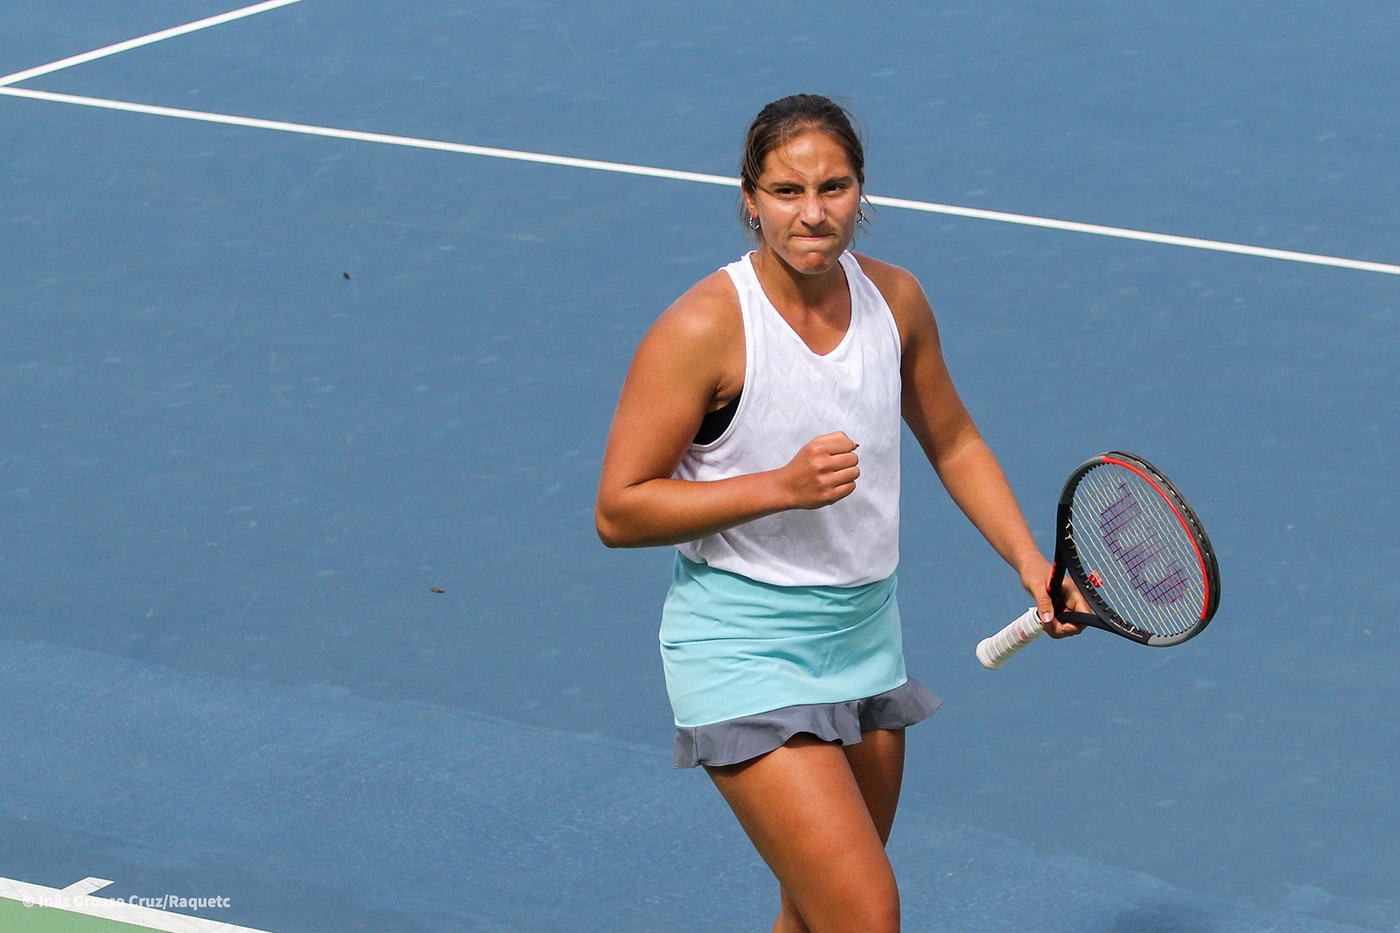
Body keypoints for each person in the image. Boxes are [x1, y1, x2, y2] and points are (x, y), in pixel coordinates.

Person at [595, 94, 1085, 933]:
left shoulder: (897, 301)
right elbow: (620, 508)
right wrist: (777, 487)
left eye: (835, 187)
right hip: (742, 645)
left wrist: (1029, 560)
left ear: (863, 191)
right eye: (787, 192)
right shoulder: (705, 327)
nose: (813, 214)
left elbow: (956, 440)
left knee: (816, 913)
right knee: (864, 914)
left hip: (863, 641)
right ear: (749, 198)